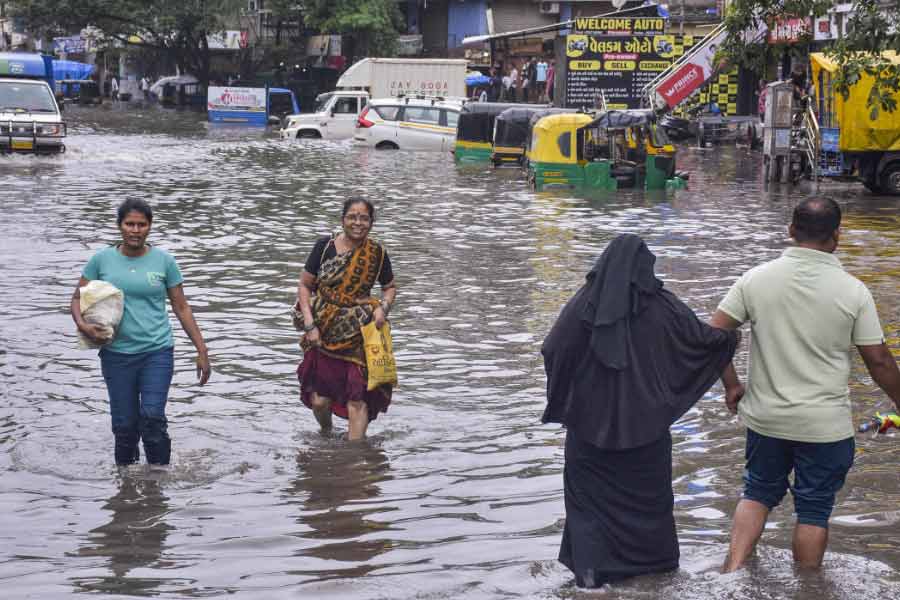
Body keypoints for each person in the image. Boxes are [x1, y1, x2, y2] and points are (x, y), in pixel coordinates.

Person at [710, 198, 900, 572]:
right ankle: (808, 588)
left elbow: (712, 336)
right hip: (824, 427)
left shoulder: (755, 279)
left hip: (766, 421)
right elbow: (878, 361)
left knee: (757, 493)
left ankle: (730, 574)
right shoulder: (853, 291)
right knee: (813, 510)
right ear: (837, 237)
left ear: (791, 231)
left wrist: (731, 385)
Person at [542, 234, 739, 588]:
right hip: (646, 431)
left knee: (588, 509)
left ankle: (591, 581)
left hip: (588, 431)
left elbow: (553, 349)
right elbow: (703, 342)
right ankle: (656, 575)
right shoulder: (664, 307)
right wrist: (731, 347)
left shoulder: (581, 306)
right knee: (649, 506)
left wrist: (572, 398)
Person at [70, 199, 211, 468]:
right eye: (129, 224)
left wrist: (202, 350)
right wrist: (83, 325)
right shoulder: (102, 259)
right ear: (120, 226)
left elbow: (181, 307)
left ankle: (158, 482)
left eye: (141, 224)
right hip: (116, 354)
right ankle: (125, 488)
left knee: (152, 417)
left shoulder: (164, 261)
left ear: (149, 227)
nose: (135, 230)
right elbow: (76, 299)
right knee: (124, 427)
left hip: (156, 352)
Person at [295, 197, 397, 441]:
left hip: (359, 331)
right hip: (324, 330)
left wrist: (383, 308)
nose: (358, 223)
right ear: (342, 220)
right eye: (352, 217)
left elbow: (390, 287)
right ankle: (326, 432)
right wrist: (310, 325)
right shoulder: (324, 247)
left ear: (371, 223)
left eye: (364, 218)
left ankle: (355, 460)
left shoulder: (377, 253)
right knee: (319, 401)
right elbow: (305, 285)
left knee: (357, 399)